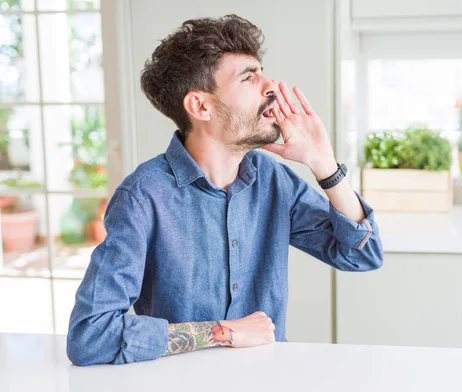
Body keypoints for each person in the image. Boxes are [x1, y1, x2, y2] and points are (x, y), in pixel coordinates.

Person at [66, 14, 383, 366]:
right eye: (249, 77)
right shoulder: (143, 196)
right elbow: (90, 336)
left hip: (266, 382)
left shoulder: (274, 180)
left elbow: (362, 256)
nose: (272, 86)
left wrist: (325, 166)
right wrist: (223, 332)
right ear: (200, 106)